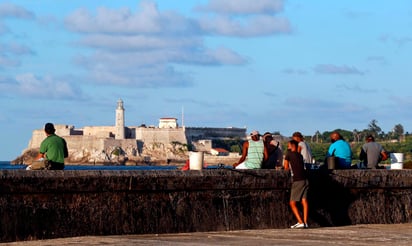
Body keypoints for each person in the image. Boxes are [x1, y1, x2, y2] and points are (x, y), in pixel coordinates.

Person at [284, 139, 309, 229]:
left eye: (288, 145)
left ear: (292, 145)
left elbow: (286, 167)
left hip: (298, 180)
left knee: (292, 203)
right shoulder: (300, 155)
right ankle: (305, 222)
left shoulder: (289, 154)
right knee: (304, 201)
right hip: (305, 179)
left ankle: (300, 221)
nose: (287, 147)